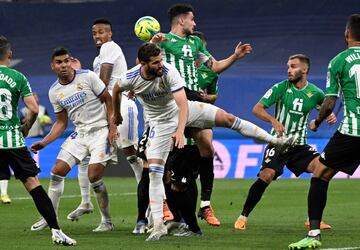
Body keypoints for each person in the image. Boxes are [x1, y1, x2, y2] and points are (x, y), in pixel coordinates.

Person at [112, 43, 296, 241]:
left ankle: (276, 141)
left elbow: (182, 104)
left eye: (161, 60)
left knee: (229, 119)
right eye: (156, 62)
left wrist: (181, 131)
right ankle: (158, 226)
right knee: (155, 172)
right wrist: (116, 115)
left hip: (184, 111)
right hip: (159, 123)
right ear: (143, 63)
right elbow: (115, 89)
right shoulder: (130, 77)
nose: (160, 65)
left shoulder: (168, 71)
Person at [150, 3, 252, 226]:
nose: (195, 23)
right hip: (173, 101)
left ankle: (205, 204)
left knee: (207, 147)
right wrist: (152, 44)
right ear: (181, 21)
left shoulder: (195, 42)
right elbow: (148, 63)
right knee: (169, 153)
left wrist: (234, 57)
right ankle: (165, 205)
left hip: (195, 99)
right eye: (192, 19)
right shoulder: (163, 40)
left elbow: (213, 65)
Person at [234, 54, 336, 231]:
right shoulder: (280, 87)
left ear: (304, 70)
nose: (289, 70)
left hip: (300, 146)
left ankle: (313, 219)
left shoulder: (316, 93)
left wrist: (328, 116)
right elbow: (257, 109)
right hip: (278, 143)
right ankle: (243, 216)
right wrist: (273, 120)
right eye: (288, 66)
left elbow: (324, 109)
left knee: (322, 170)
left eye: (293, 66)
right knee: (267, 175)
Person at [289, 14, 360, 249]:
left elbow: (329, 101)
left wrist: (317, 122)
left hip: (352, 131)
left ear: (347, 34)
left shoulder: (339, 61)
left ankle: (314, 235)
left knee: (320, 174)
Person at [30, 47, 117, 233]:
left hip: (100, 130)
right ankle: (49, 217)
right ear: (53, 66)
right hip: (81, 133)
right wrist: (44, 142)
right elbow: (61, 123)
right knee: (56, 172)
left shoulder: (87, 77)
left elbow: (108, 100)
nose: (64, 65)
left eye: (66, 61)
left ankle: (107, 221)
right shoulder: (54, 91)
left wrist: (112, 126)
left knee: (93, 176)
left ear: (71, 62)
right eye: (59, 62)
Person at [0, 36, 75, 245]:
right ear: (10, 54)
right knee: (32, 183)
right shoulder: (18, 77)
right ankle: (56, 231)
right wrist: (25, 127)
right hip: (12, 140)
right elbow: (33, 108)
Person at [66, 18, 142, 223]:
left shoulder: (110, 47)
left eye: (101, 32)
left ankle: (152, 210)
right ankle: (86, 203)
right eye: (94, 33)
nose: (97, 36)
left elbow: (104, 82)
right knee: (86, 154)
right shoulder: (99, 56)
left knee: (132, 155)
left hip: (120, 105)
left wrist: (80, 79)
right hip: (107, 106)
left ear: (110, 34)